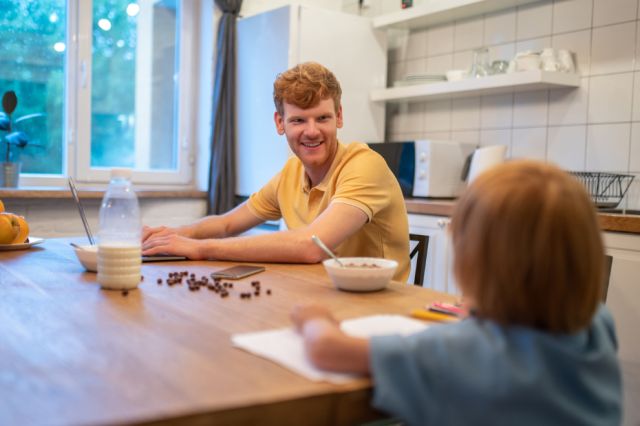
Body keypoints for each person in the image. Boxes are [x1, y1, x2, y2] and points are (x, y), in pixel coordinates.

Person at [291, 160, 622, 426]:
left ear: (472, 264)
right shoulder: (598, 322)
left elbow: (326, 348)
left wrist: (313, 317)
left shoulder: (458, 351)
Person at [142, 62, 410, 281]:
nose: (312, 131)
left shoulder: (364, 165)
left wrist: (200, 248)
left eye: (323, 118)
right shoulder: (292, 172)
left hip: (378, 307)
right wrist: (171, 235)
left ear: (339, 116)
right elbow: (226, 224)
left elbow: (311, 246)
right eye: (298, 120)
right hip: (321, 294)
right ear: (280, 123)